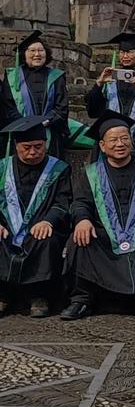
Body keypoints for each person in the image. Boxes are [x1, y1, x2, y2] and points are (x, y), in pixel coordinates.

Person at [62, 111, 135, 320]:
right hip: (105, 236)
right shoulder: (92, 173)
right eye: (113, 139)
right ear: (102, 146)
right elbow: (81, 203)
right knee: (79, 238)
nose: (120, 144)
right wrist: (83, 220)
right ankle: (81, 299)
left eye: (125, 138)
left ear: (132, 142)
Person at [0, 116, 72, 317]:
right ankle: (3, 294)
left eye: (39, 146)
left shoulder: (58, 169)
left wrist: (48, 220)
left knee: (46, 240)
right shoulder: (2, 168)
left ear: (46, 144)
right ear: (16, 145)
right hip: (7, 227)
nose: (33, 152)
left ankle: (38, 295)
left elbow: (63, 201)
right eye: (27, 147)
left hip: (40, 226)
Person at [86, 30, 135, 157]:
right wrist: (99, 83)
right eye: (122, 52)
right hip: (112, 139)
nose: (124, 56)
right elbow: (93, 110)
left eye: (129, 52)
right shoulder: (110, 79)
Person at [2, 34, 70, 158]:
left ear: (46, 53)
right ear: (24, 54)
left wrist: (43, 123)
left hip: (50, 133)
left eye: (40, 50)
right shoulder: (13, 77)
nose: (37, 54)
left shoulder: (57, 77)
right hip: (20, 133)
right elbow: (8, 106)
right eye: (32, 50)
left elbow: (61, 107)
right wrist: (25, 124)